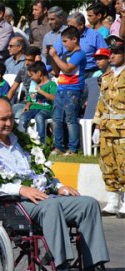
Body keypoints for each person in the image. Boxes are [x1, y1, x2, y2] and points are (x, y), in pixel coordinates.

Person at [0, 98, 121, 271]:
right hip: (11, 203)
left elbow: (40, 172)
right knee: (51, 206)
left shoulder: (21, 141)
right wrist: (20, 189)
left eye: (11, 118)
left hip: (41, 196)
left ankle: (94, 269)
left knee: (88, 204)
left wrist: (58, 186)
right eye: (3, 119)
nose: (9, 124)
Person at [92, 34, 125, 218]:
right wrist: (97, 127)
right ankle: (113, 201)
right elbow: (101, 103)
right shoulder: (106, 77)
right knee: (108, 164)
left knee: (124, 164)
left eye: (117, 52)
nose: (112, 56)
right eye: (111, 52)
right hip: (107, 127)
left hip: (123, 128)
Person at [49, 26, 87, 156]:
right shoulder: (65, 54)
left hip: (73, 90)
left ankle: (73, 149)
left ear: (74, 39)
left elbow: (68, 69)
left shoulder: (79, 54)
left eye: (65, 41)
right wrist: (51, 57)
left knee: (70, 120)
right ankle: (59, 147)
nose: (63, 44)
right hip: (61, 88)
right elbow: (57, 72)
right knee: (57, 119)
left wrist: (55, 56)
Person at [54, 12, 107, 77]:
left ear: (81, 25)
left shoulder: (95, 35)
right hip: (69, 74)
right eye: (68, 26)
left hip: (91, 73)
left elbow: (105, 54)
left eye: (71, 26)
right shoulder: (65, 36)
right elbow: (53, 52)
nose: (69, 28)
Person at [18, 61, 57, 143]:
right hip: (33, 108)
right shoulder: (34, 84)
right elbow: (30, 98)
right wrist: (27, 105)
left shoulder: (51, 84)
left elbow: (54, 98)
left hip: (47, 109)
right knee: (23, 117)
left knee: (39, 117)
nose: (31, 78)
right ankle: (22, 140)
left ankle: (40, 143)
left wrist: (41, 92)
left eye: (32, 75)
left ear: (39, 73)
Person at [7, 46, 42, 117]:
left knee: (18, 115)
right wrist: (5, 103)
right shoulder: (23, 70)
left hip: (38, 104)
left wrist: (38, 64)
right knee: (9, 111)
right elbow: (13, 89)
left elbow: (37, 90)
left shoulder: (42, 72)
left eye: (30, 60)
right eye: (25, 60)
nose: (27, 63)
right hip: (25, 102)